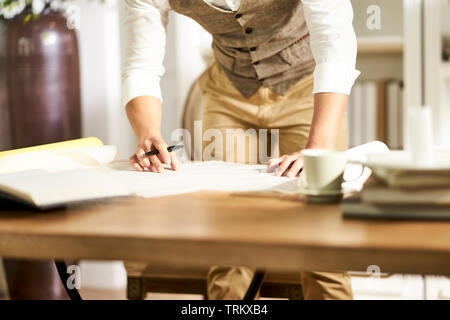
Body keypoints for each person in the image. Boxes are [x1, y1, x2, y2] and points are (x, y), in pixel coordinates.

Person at [123, 0, 360, 300]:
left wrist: (317, 149)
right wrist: (148, 134)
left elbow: (333, 39)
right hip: (229, 92)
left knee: (322, 240)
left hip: (308, 89)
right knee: (228, 240)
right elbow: (141, 64)